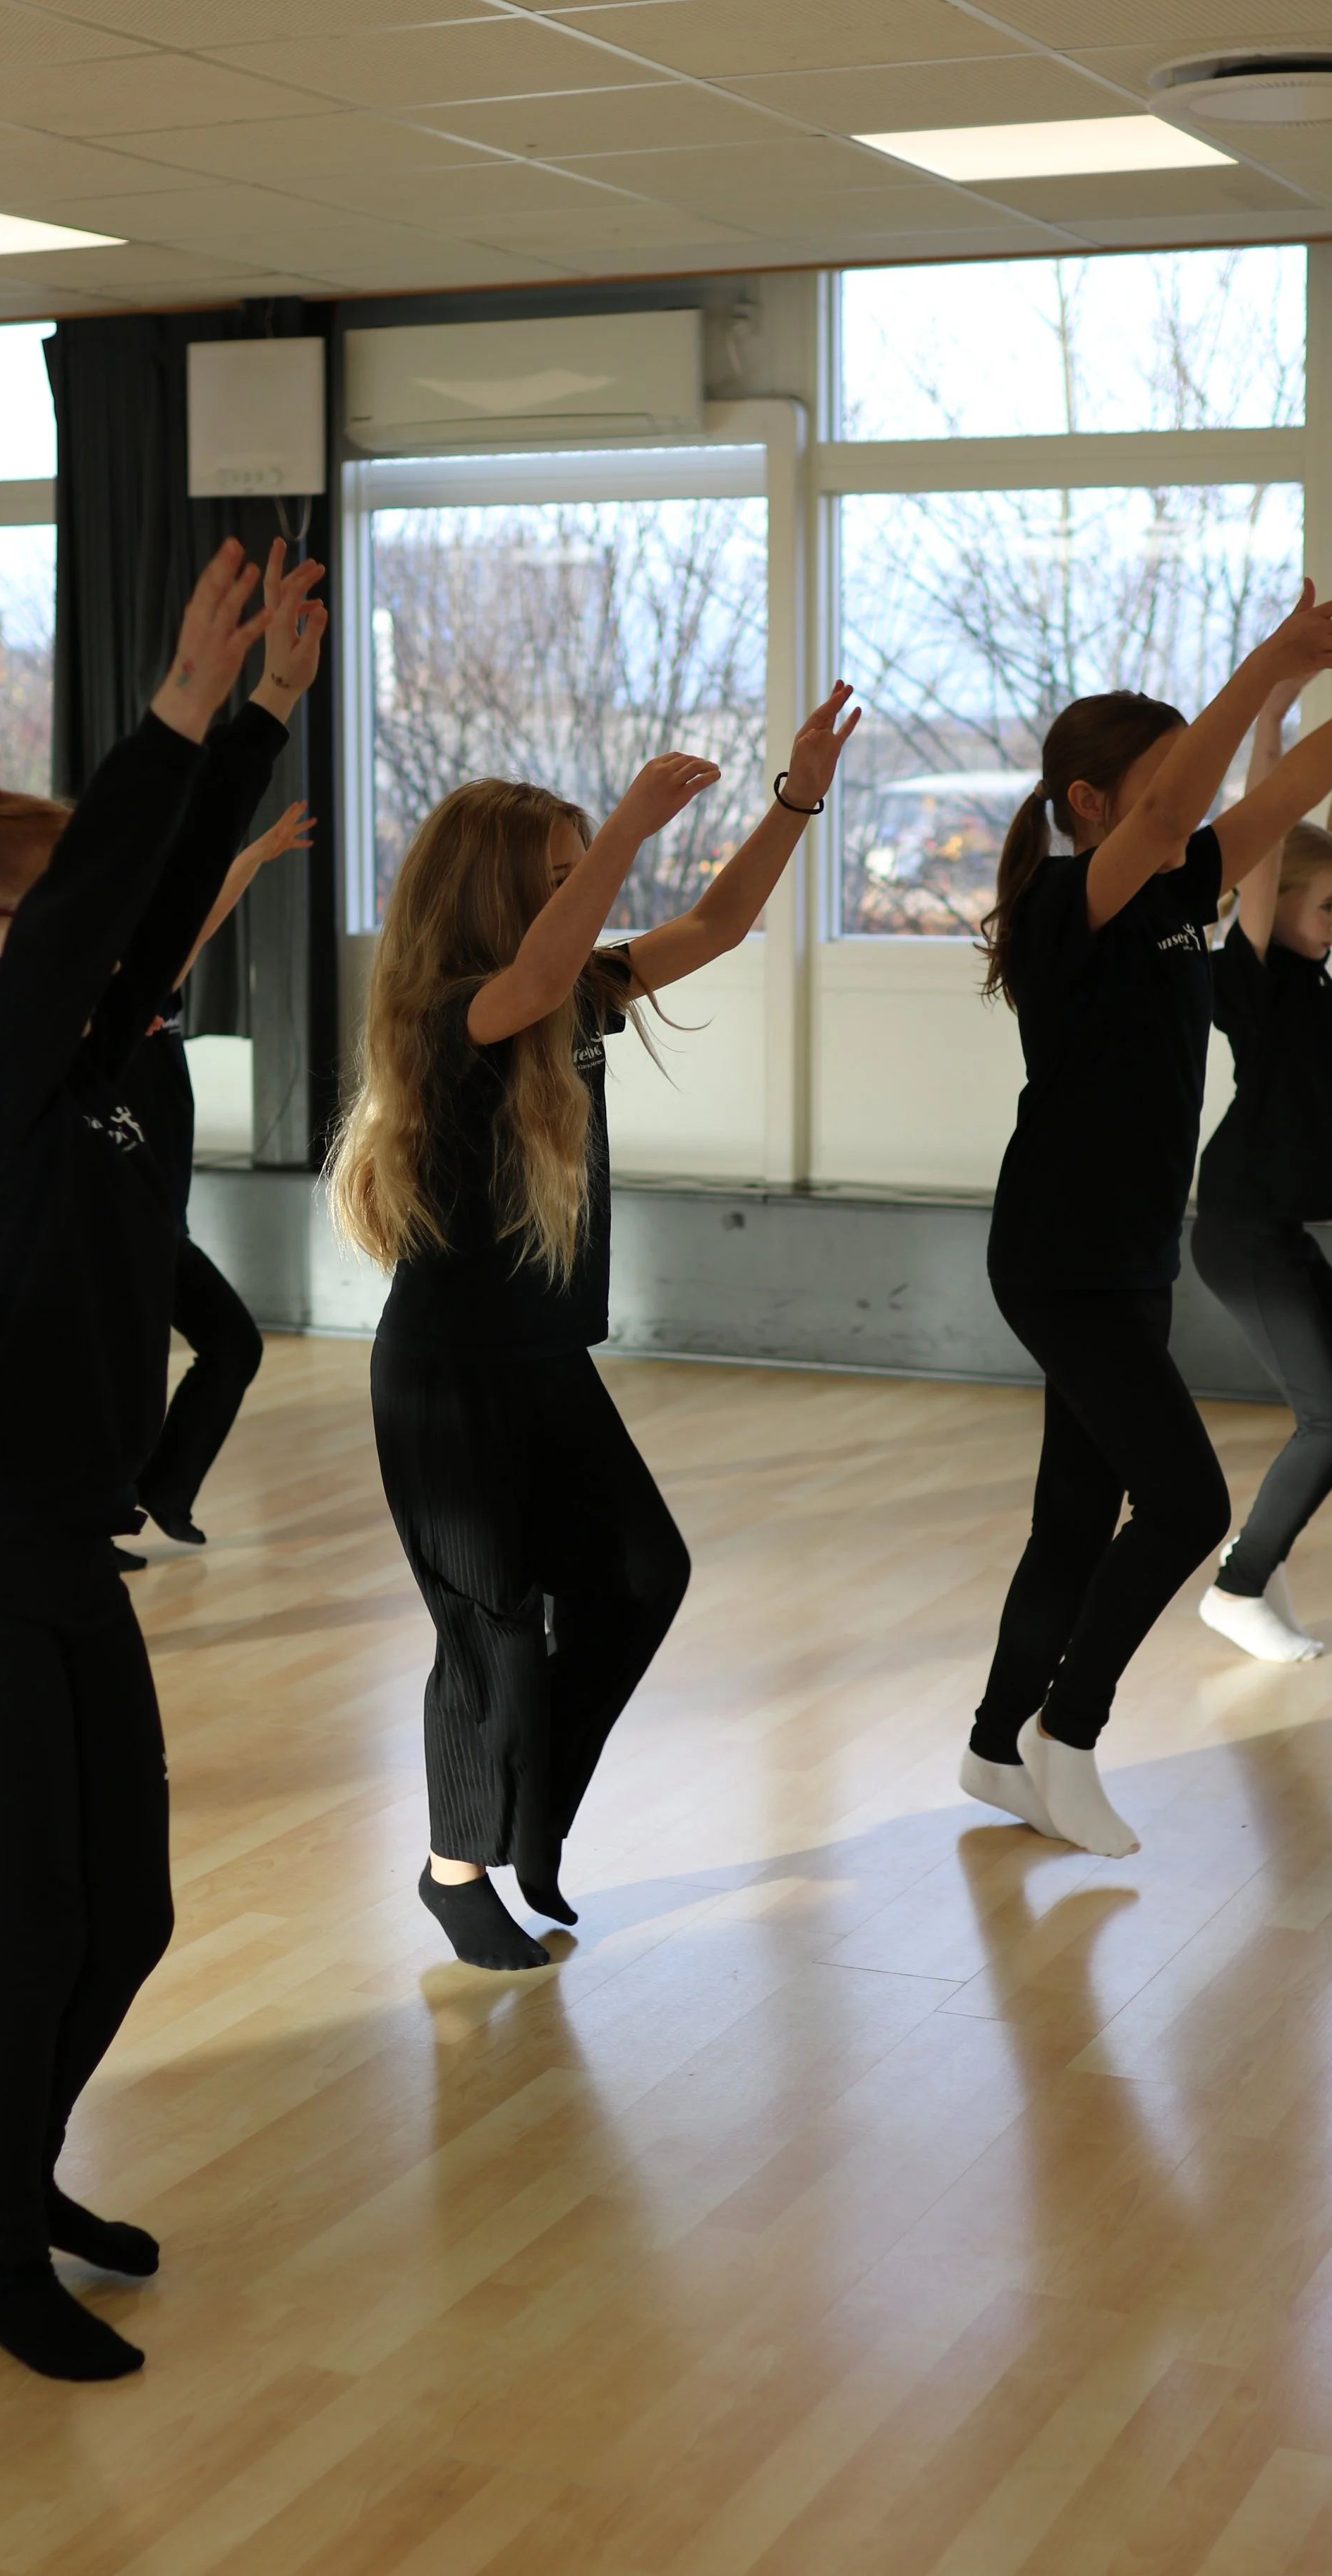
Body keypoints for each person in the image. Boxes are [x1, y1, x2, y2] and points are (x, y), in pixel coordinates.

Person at [0, 538, 327, 2381]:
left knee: (136, 1909)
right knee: (34, 1924)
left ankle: (7, 2172)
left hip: (55, 1547)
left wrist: (255, 719)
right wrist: (182, 705)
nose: (90, 953)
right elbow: (118, 877)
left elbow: (150, 890)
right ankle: (3, 2251)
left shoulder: (78, 1043)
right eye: (37, 923)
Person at [962, 587, 1332, 1860]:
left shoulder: (1184, 889)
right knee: (1184, 1502)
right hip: (1057, 1254)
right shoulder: (1070, 908)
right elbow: (1175, 806)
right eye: (1158, 784)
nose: (1190, 805)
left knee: (1073, 1516)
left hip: (1131, 1253)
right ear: (1092, 805)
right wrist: (1267, 665)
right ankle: (1069, 1733)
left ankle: (994, 1745)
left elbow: (1296, 787)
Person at [332, 685, 861, 1971]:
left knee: (641, 1577)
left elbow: (721, 923)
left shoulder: (575, 994)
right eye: (562, 874)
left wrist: (798, 798)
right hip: (447, 1378)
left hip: (543, 1364)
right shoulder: (450, 1013)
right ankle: (459, 1867)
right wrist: (627, 819)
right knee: (494, 1628)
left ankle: (534, 1818)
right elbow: (540, 969)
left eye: (584, 870)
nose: (589, 892)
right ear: (491, 892)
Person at [1192, 671, 1332, 1661]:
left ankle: (1260, 1551)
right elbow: (1273, 842)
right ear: (1280, 909)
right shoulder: (1260, 978)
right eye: (1328, 907)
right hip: (1240, 1225)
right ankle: (1236, 1588)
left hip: (1277, 1226)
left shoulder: (1310, 978)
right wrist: (1268, 728)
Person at [122, 797, 315, 1554]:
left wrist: (254, 857)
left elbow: (196, 923)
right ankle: (90, 1520)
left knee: (233, 1345)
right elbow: (195, 923)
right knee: (125, 1384)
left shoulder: (157, 993)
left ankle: (164, 1489)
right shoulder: (87, 1022)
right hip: (112, 1238)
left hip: (163, 1229)